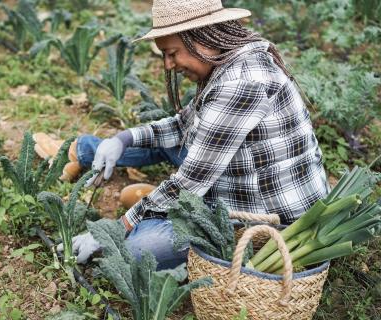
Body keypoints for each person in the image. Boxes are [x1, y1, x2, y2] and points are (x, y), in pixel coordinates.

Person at [36, 0, 330, 270]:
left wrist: (117, 228)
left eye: (171, 53)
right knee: (170, 141)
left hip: (261, 216)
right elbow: (180, 127)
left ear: (201, 37)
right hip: (229, 174)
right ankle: (87, 150)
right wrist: (121, 140)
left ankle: (149, 201)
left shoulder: (242, 84)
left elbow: (189, 183)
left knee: (138, 251)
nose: (168, 65)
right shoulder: (226, 64)